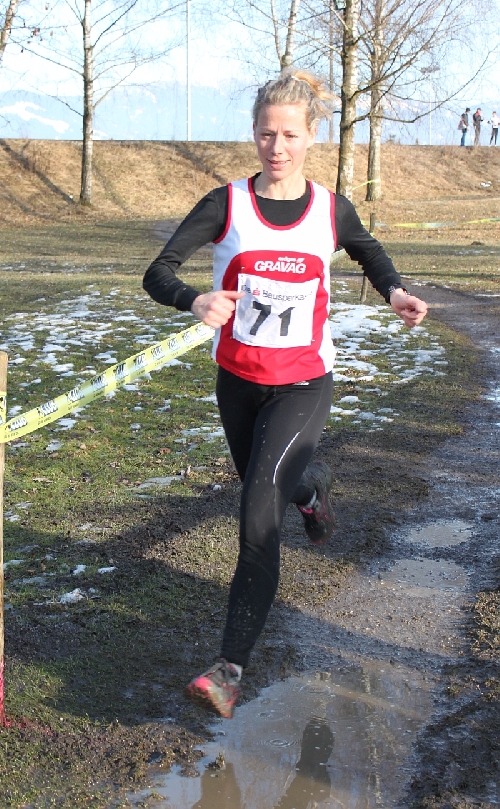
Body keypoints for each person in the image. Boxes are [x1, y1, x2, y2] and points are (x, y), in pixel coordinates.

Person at [143, 69, 428, 720]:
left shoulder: (330, 209)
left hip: (303, 384)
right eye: (267, 133)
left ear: (310, 136)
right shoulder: (226, 204)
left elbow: (367, 249)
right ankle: (314, 488)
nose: (277, 146)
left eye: (290, 135)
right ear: (253, 133)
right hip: (238, 384)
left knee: (255, 514)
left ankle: (228, 668)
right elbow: (156, 272)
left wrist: (396, 292)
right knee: (271, 484)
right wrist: (195, 298)